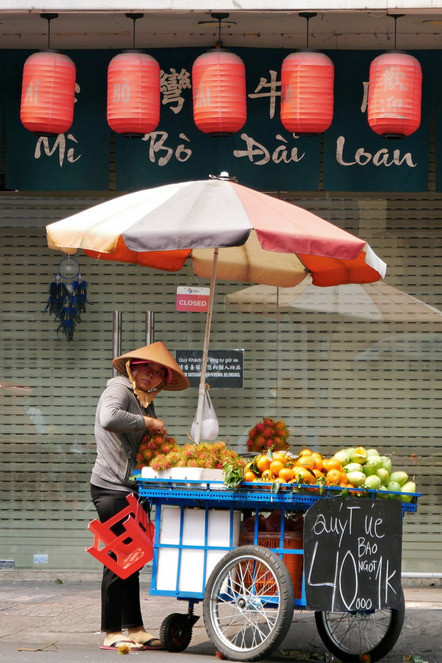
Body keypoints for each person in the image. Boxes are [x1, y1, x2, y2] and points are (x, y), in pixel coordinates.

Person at [90, 341, 190, 651]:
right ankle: (110, 631)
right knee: (119, 556)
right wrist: (147, 423)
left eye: (159, 372)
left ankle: (134, 627)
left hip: (131, 490)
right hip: (110, 487)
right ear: (133, 366)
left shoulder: (144, 400)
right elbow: (109, 418)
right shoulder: (119, 389)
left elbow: (142, 445)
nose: (152, 374)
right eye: (148, 367)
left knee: (134, 559)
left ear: (162, 381)